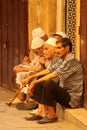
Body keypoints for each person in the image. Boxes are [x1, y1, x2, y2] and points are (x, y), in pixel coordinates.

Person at [23, 38, 83, 124]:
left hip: (72, 99)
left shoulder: (71, 61)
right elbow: (49, 70)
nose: (56, 51)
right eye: (56, 48)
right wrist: (31, 79)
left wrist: (34, 82)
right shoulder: (62, 59)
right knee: (39, 80)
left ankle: (51, 115)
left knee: (49, 83)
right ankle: (41, 112)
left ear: (67, 48)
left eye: (59, 48)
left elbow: (54, 74)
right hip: (64, 93)